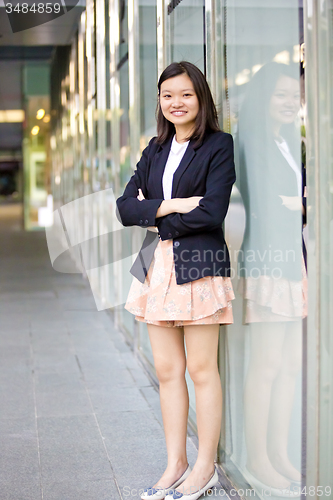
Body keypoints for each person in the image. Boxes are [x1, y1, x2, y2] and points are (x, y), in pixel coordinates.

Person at [116, 61, 236, 500]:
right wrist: (172, 205)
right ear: (160, 101)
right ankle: (175, 464)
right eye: (168, 95)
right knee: (168, 371)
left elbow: (212, 212)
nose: (176, 103)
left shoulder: (219, 145)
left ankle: (204, 466)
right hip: (154, 267)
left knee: (202, 370)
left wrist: (155, 211)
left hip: (198, 266)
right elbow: (125, 207)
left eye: (185, 94)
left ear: (200, 98)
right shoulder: (155, 148)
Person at [235, 62, 307, 494]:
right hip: (266, 261)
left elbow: (294, 202)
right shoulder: (253, 143)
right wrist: (299, 206)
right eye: (280, 94)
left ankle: (278, 453)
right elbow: (265, 204)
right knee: (265, 366)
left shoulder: (287, 143)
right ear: (263, 98)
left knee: (288, 366)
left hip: (291, 262)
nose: (290, 102)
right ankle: (256, 458)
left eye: (293, 94)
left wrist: (298, 204)